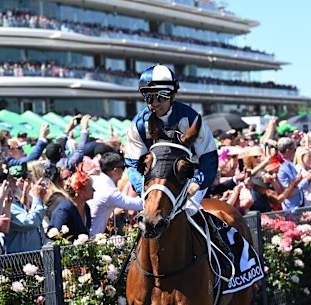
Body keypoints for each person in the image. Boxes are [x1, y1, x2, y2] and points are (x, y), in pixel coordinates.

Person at [124, 64, 231, 265]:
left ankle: (221, 252)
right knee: (147, 216)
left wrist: (197, 183)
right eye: (149, 97)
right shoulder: (139, 125)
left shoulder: (191, 119)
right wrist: (145, 191)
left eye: (161, 96)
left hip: (189, 178)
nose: (155, 103)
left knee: (190, 209)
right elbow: (132, 164)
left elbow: (209, 159)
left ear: (173, 96)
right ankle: (132, 262)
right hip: (156, 182)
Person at [88, 152, 143, 236]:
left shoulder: (93, 178)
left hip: (87, 234)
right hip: (91, 239)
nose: (125, 170)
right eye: (123, 167)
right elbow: (139, 204)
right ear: (115, 170)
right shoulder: (109, 192)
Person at [3, 166, 47, 253]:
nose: (17, 182)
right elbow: (30, 221)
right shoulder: (6, 204)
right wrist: (36, 197)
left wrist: (31, 195)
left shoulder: (14, 200)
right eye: (12, 180)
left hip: (32, 255)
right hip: (20, 260)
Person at [47, 170, 93, 242]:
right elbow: (57, 240)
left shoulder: (86, 207)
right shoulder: (63, 211)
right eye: (90, 188)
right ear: (80, 191)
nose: (94, 190)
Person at [277, 137, 311, 210]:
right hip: (291, 209)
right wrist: (306, 180)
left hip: (299, 206)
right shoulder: (281, 169)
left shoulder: (290, 164)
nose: (295, 152)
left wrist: (308, 178)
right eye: (294, 150)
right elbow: (288, 193)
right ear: (288, 151)